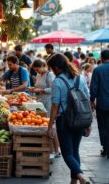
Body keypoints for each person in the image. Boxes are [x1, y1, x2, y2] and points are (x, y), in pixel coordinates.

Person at [47, 53, 91, 184]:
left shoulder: (58, 82)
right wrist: (88, 122)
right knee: (75, 151)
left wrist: (50, 126)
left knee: (67, 154)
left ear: (56, 67)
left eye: (52, 68)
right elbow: (86, 99)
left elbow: (55, 106)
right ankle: (74, 181)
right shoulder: (80, 78)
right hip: (79, 118)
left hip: (64, 121)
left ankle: (81, 177)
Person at [29, 59, 60, 157]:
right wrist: (33, 89)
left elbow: (53, 89)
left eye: (38, 69)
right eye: (35, 70)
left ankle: (56, 150)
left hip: (48, 102)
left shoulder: (49, 75)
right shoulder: (39, 75)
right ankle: (47, 148)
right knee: (43, 123)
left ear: (43, 66)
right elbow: (37, 86)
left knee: (51, 124)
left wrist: (41, 90)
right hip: (40, 102)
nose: (37, 71)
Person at [90, 49, 109, 158]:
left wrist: (92, 100)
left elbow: (94, 88)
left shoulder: (97, 70)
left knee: (102, 126)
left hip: (102, 103)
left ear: (101, 58)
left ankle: (106, 148)